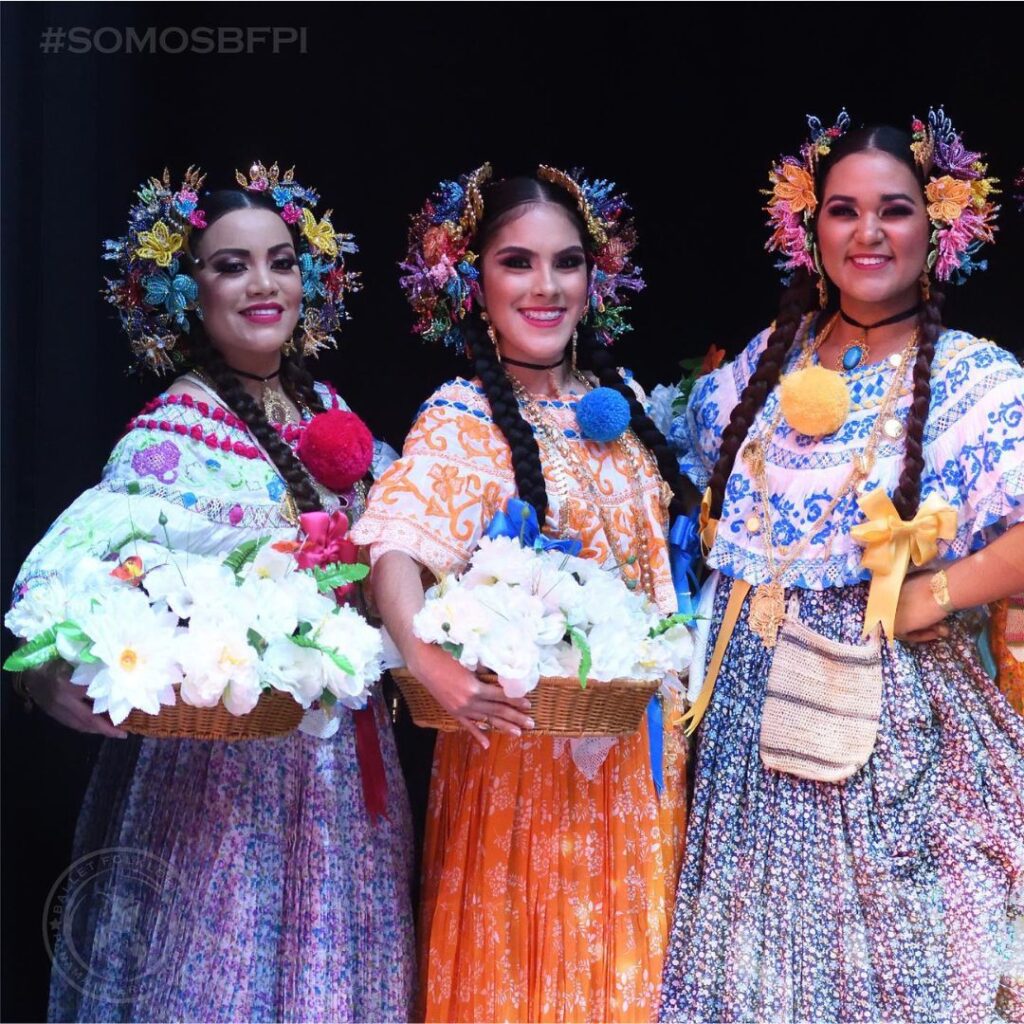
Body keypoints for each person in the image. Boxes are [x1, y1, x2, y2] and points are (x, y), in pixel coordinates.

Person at [8, 163, 415, 1022]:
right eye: (231, 265)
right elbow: (61, 572)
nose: (264, 284)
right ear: (185, 292)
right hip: (219, 776)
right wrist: (47, 671)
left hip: (339, 766)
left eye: (281, 260)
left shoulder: (332, 410)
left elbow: (397, 554)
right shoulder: (169, 438)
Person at [659, 110, 1024, 1022]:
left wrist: (932, 593)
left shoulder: (979, 379)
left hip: (886, 712)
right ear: (808, 227)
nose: (868, 234)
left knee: (899, 975)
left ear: (939, 227)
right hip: (750, 713)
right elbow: (682, 469)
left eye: (895, 210)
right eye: (843, 210)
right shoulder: (767, 358)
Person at [350, 164, 697, 1022]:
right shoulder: (463, 416)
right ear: (473, 281)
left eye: (567, 262)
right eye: (517, 262)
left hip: (643, 770)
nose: (546, 286)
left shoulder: (622, 405)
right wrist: (428, 662)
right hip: (524, 773)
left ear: (594, 277)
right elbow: (395, 546)